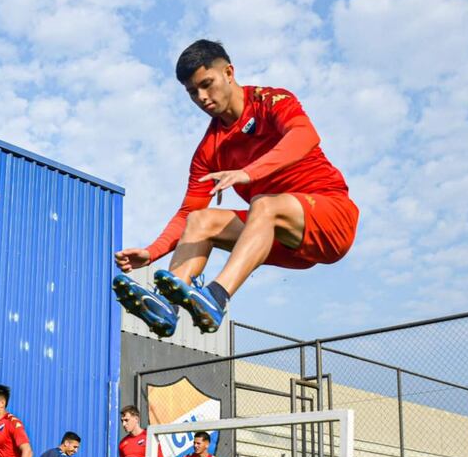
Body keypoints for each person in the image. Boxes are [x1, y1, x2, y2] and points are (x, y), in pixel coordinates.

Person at [113, 39, 359, 337]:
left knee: (265, 204)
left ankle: (216, 297)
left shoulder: (270, 101)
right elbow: (188, 211)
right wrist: (152, 253)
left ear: (229, 73)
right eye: (193, 92)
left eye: (207, 84)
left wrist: (248, 172)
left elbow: (305, 135)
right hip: (279, 238)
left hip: (331, 218)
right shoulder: (209, 149)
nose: (202, 97)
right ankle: (167, 306)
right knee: (200, 220)